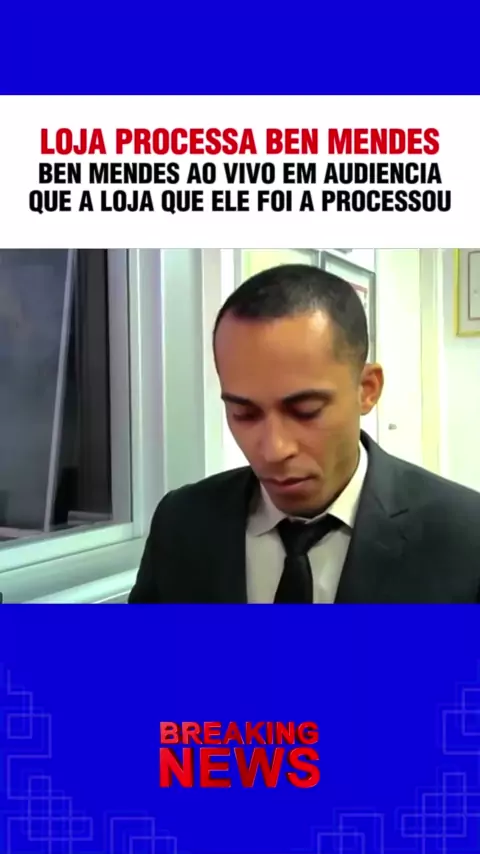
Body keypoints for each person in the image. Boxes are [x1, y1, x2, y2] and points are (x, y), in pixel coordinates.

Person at [128, 263, 480, 604]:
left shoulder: (466, 537)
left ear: (367, 390)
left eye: (305, 411)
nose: (274, 450)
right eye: (244, 413)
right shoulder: (181, 522)